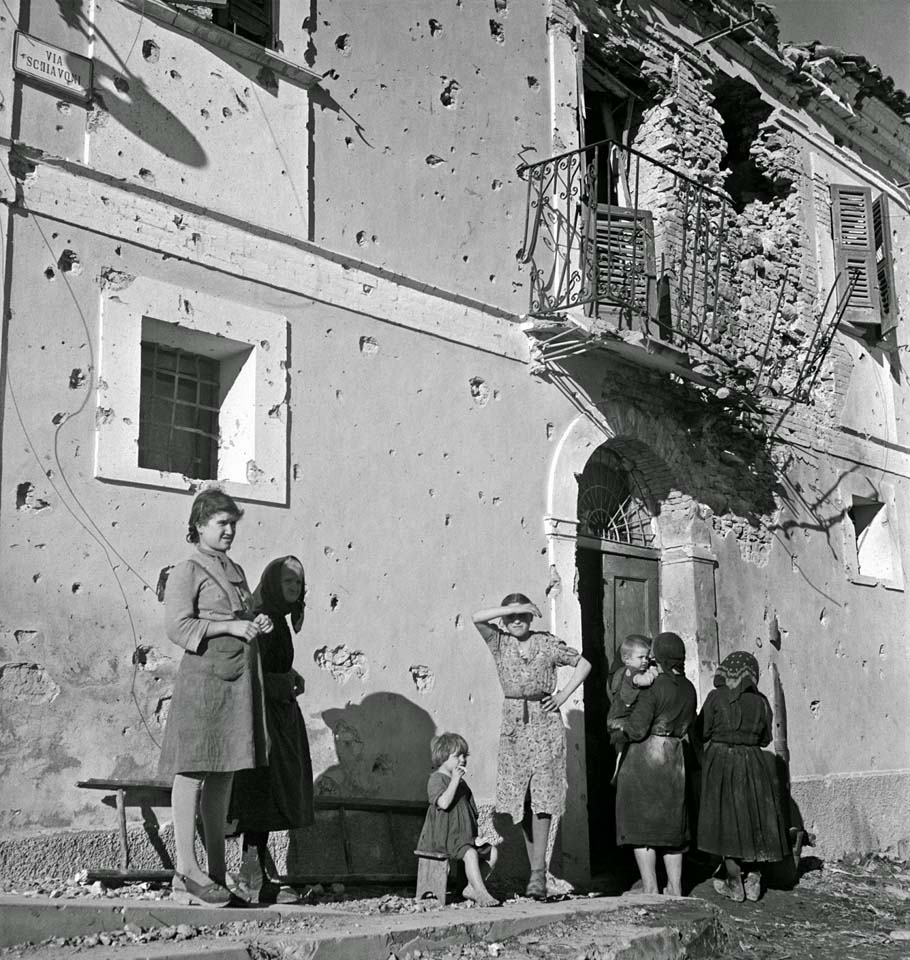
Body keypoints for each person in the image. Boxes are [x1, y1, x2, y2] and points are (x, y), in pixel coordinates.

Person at [157, 489, 272, 907]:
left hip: (236, 683)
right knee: (191, 771)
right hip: (204, 683)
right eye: (221, 523)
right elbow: (178, 627)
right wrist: (228, 628)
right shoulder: (187, 570)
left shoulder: (235, 569)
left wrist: (254, 620)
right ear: (199, 525)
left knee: (224, 773)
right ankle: (187, 870)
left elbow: (237, 616)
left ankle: (216, 873)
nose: (228, 531)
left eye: (233, 524)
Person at [472, 594, 591, 899]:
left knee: (544, 796)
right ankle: (537, 871)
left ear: (531, 619)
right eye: (512, 616)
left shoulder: (548, 643)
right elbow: (477, 617)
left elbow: (584, 664)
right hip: (513, 725)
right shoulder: (499, 643)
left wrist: (563, 695)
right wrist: (513, 607)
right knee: (522, 800)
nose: (516, 621)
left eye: (523, 616)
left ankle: (538, 874)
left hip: (544, 722)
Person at [229, 556, 315, 904]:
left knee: (269, 793)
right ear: (273, 583)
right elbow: (253, 670)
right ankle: (252, 879)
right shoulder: (262, 619)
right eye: (288, 581)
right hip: (263, 719)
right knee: (260, 793)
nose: (294, 588)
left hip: (277, 716)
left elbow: (273, 665)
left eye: (298, 582)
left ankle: (257, 876)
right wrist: (282, 683)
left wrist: (289, 676)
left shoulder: (276, 618)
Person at [695, 651, 790, 902]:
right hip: (753, 764)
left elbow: (701, 730)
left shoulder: (715, 697)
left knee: (726, 819)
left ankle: (734, 879)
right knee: (752, 818)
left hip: (721, 762)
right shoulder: (761, 702)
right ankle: (754, 877)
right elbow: (765, 739)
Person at [613, 631, 696, 897]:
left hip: (646, 760)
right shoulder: (688, 687)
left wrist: (618, 726)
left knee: (642, 827)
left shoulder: (655, 686)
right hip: (675, 759)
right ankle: (675, 886)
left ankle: (650, 887)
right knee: (673, 829)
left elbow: (637, 730)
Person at [417, 732, 500, 907]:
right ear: (442, 757)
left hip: (463, 837)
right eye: (457, 756)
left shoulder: (463, 784)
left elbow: (471, 813)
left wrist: (478, 836)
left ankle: (472, 887)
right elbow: (444, 803)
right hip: (443, 837)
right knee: (469, 853)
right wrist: (454, 780)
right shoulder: (436, 779)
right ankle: (482, 893)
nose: (463, 759)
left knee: (492, 852)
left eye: (465, 755)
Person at [607, 635, 658, 784]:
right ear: (626, 659)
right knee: (624, 750)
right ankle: (617, 773)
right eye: (641, 657)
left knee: (622, 748)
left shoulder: (621, 672)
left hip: (616, 719)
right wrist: (653, 672)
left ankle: (618, 772)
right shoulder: (631, 673)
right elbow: (643, 681)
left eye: (647, 658)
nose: (645, 661)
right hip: (621, 719)